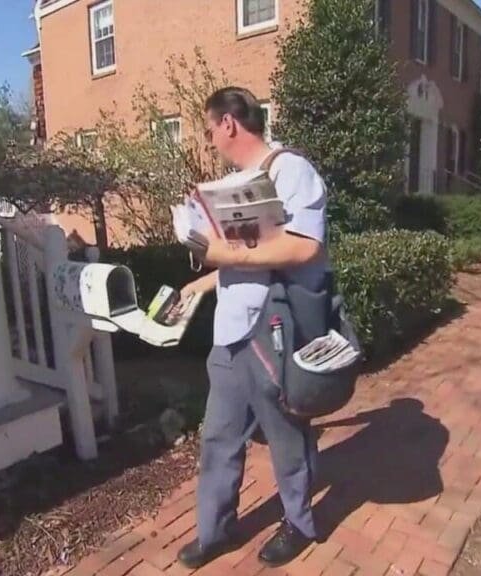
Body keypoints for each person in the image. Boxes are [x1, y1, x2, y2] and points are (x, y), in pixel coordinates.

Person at [178, 87, 330, 569]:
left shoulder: (291, 171)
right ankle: (215, 531)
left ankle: (299, 523)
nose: (209, 140)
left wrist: (227, 254)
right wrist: (205, 280)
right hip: (231, 335)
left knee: (287, 436)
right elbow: (245, 259)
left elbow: (305, 247)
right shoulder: (234, 184)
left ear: (228, 124)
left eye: (208, 130)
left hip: (276, 330)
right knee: (219, 437)